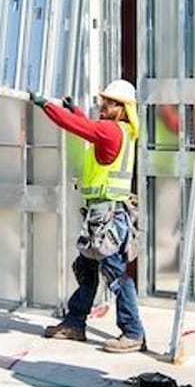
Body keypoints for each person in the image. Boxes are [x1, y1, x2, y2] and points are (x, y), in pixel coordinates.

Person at [35, 80, 146, 352]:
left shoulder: (111, 130)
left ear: (123, 108)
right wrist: (77, 112)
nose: (103, 105)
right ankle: (75, 322)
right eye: (102, 100)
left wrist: (45, 104)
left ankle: (133, 332)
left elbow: (80, 129)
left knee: (115, 274)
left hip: (107, 216)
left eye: (109, 102)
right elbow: (87, 129)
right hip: (101, 215)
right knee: (86, 268)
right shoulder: (121, 130)